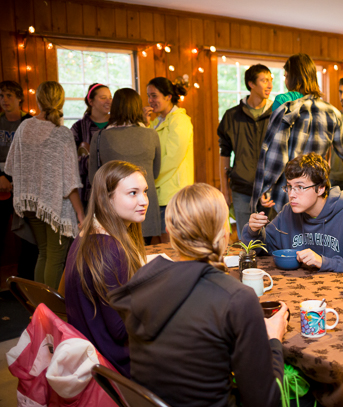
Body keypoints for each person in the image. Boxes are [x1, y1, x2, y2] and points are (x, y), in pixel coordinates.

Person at [108, 183, 290, 407]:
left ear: (171, 233)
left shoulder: (143, 280)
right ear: (224, 234)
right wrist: (273, 339)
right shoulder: (237, 298)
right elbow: (266, 400)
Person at [64, 161, 148, 377]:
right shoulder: (110, 249)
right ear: (106, 199)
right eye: (132, 193)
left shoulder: (87, 235)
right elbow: (121, 331)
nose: (144, 201)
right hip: (113, 364)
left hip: (93, 351)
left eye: (145, 192)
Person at [5, 81, 84, 289]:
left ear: (38, 100)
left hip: (30, 203)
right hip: (55, 205)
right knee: (56, 258)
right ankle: (51, 313)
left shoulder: (25, 126)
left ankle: (39, 308)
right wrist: (80, 213)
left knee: (44, 252)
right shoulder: (61, 132)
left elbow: (12, 166)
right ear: (61, 100)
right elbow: (70, 181)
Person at [250, 53, 343, 214]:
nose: (285, 81)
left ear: (294, 78)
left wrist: (266, 186)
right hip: (317, 194)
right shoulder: (333, 112)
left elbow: (276, 155)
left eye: (286, 76)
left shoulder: (287, 107)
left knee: (285, 238)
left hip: (288, 195)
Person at [244, 152, 343, 274]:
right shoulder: (288, 212)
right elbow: (263, 251)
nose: (291, 194)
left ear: (320, 188)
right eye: (289, 186)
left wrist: (324, 262)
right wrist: (253, 231)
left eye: (300, 187)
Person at [89, 88, 162, 240]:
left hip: (115, 207)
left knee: (116, 255)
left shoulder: (100, 136)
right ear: (137, 107)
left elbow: (93, 177)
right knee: (144, 256)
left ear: (114, 107)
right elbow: (155, 173)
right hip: (144, 205)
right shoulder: (151, 134)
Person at [218, 64, 274, 240]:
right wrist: (224, 189)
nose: (269, 85)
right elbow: (224, 154)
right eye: (264, 80)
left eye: (271, 80)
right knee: (246, 239)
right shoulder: (231, 116)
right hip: (241, 188)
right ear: (251, 84)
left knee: (270, 238)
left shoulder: (277, 113)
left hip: (269, 189)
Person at [144, 77, 194, 241]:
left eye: (154, 96)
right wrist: (145, 124)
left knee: (171, 243)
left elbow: (173, 157)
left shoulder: (180, 120)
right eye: (149, 96)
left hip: (173, 192)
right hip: (157, 191)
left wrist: (151, 179)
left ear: (168, 96)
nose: (150, 100)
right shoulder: (156, 122)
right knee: (158, 243)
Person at [0, 80, 36, 276]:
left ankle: (26, 281)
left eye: (9, 96)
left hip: (25, 184)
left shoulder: (29, 122)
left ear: (19, 98)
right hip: (1, 184)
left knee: (28, 236)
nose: (4, 100)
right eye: (1, 96)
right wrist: (1, 177)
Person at [71, 83, 112, 208]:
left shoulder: (117, 125)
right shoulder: (78, 128)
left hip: (113, 192)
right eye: (103, 97)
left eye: (110, 97)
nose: (108, 101)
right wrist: (88, 162)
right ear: (91, 101)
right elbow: (69, 160)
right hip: (86, 195)